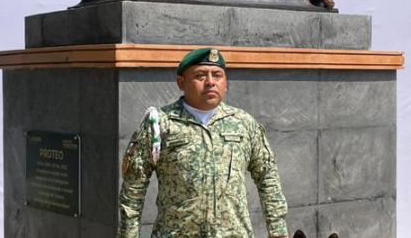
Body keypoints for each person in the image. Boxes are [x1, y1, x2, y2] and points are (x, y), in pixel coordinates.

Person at [118, 47, 288, 238]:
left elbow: (268, 177)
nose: (210, 83)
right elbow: (133, 188)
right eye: (200, 76)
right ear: (181, 83)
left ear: (226, 84)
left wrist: (278, 231)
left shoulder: (243, 123)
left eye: (217, 75)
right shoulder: (160, 123)